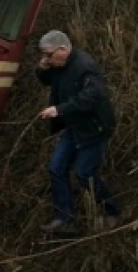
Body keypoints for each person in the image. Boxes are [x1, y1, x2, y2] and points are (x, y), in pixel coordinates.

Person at [35, 30, 122, 233]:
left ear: (63, 50)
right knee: (56, 167)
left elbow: (93, 95)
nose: (47, 58)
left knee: (84, 173)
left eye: (49, 55)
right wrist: (42, 68)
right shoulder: (59, 65)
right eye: (45, 55)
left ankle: (112, 212)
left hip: (94, 128)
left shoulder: (85, 66)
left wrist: (59, 109)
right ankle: (64, 218)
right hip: (75, 126)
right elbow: (49, 81)